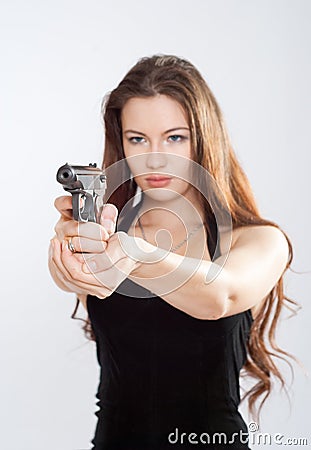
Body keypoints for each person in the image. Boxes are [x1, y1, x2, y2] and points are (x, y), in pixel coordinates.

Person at [48, 54, 298, 449]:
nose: (155, 157)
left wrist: (135, 255)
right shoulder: (108, 234)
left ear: (203, 138)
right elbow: (81, 280)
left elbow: (220, 296)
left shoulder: (259, 241)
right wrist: (68, 257)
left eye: (175, 137)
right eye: (137, 139)